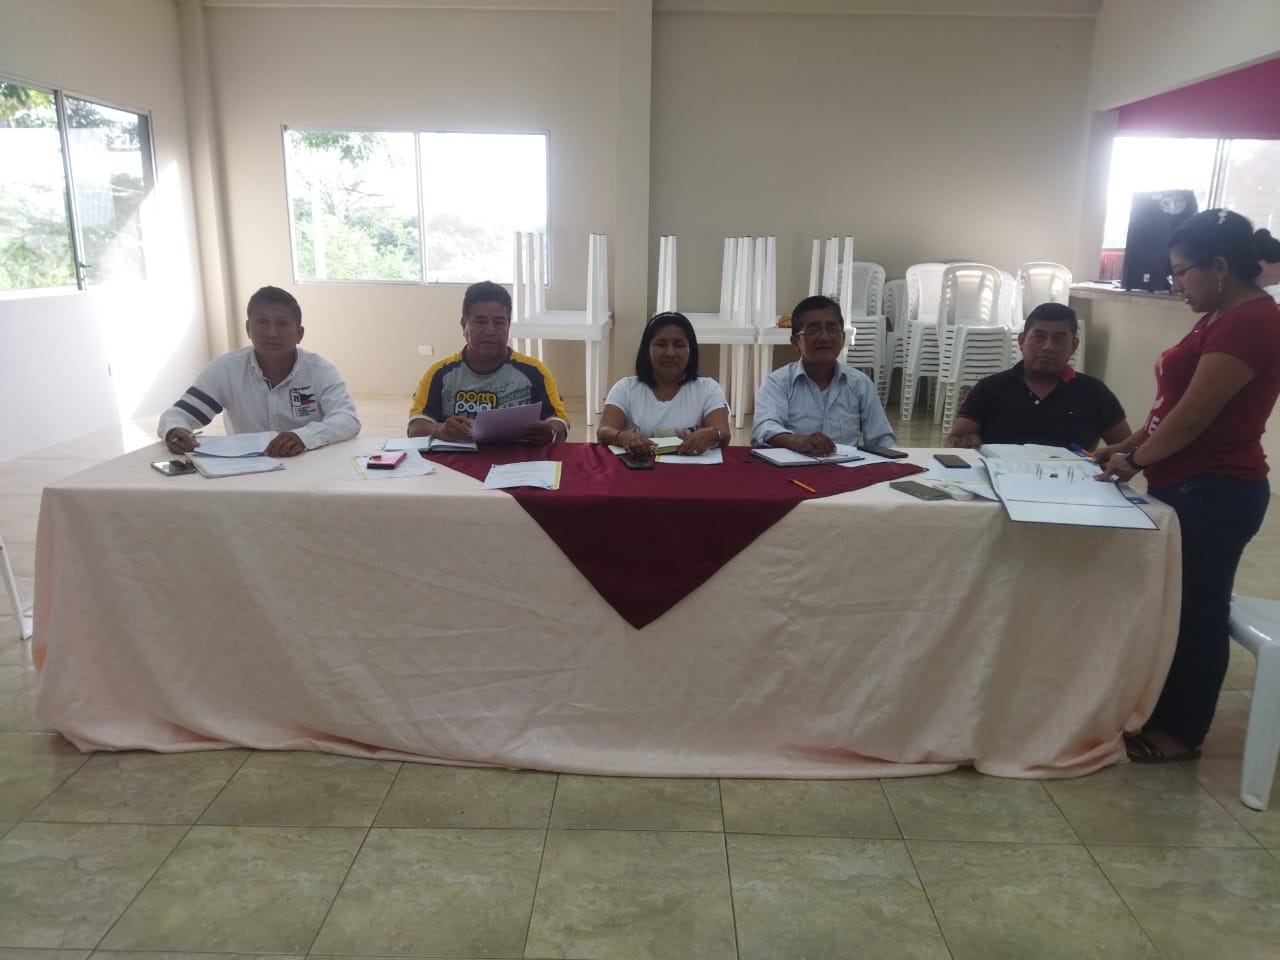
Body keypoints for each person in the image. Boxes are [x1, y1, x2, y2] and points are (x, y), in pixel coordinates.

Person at [1094, 209, 1280, 763]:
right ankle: (1162, 709)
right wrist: (1125, 447)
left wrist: (1136, 459)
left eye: (1181, 272)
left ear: (1219, 266)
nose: (1175, 283)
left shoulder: (1252, 321)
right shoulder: (1220, 313)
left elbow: (1195, 417)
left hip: (1216, 488)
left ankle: (1182, 732)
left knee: (1198, 609)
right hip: (1187, 481)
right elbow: (1171, 406)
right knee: (1177, 604)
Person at [160, 286, 360, 457]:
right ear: (248, 328)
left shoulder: (320, 371)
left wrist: (305, 437)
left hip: (309, 462)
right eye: (262, 322)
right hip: (247, 469)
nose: (271, 333)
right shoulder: (226, 369)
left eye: (282, 323)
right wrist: (174, 431)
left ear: (299, 333)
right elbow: (178, 415)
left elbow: (347, 420)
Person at [945, 302, 1131, 450]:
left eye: (1059, 338)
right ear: (1022, 341)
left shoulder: (1095, 393)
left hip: (1071, 484)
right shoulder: (989, 388)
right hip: (1000, 482)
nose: (1048, 347)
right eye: (1039, 336)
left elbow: (1127, 448)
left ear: (1074, 346)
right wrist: (964, 443)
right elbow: (955, 439)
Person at [408, 281, 569, 444]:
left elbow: (560, 423)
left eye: (499, 322)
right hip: (456, 459)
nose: (490, 331)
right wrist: (440, 430)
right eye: (480, 321)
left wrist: (550, 432)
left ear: (508, 326)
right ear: (464, 325)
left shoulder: (535, 372)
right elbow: (415, 428)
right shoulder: (439, 373)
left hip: (518, 459)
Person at [750, 294, 895, 452]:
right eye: (813, 330)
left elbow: (882, 438)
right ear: (796, 343)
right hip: (796, 464)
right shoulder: (778, 382)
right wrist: (796, 441)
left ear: (843, 338)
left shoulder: (860, 384)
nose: (825, 337)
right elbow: (764, 428)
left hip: (846, 466)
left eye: (832, 329)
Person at [596, 311, 731, 456]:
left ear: (690, 351)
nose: (670, 353)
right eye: (661, 344)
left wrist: (714, 434)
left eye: (679, 345)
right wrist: (622, 437)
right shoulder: (625, 388)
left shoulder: (709, 389)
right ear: (647, 350)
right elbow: (603, 431)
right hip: (640, 467)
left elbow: (724, 433)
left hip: (692, 467)